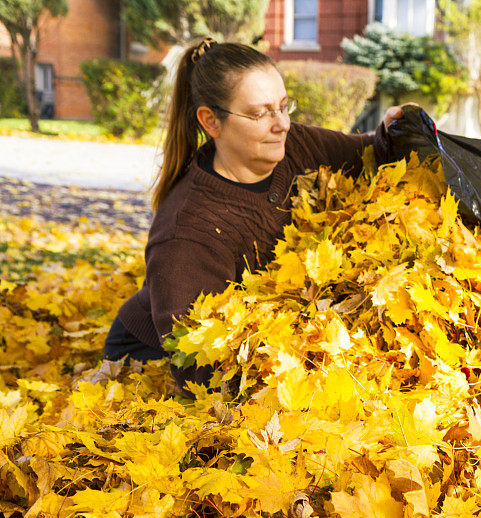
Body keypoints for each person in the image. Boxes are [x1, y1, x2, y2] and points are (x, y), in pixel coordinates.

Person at [103, 37, 412, 390]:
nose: (280, 124)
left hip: (258, 339)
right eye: (259, 113)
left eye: (283, 106)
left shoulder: (294, 145)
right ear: (211, 122)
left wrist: (396, 126)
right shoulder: (188, 231)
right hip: (150, 359)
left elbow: (368, 155)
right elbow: (196, 362)